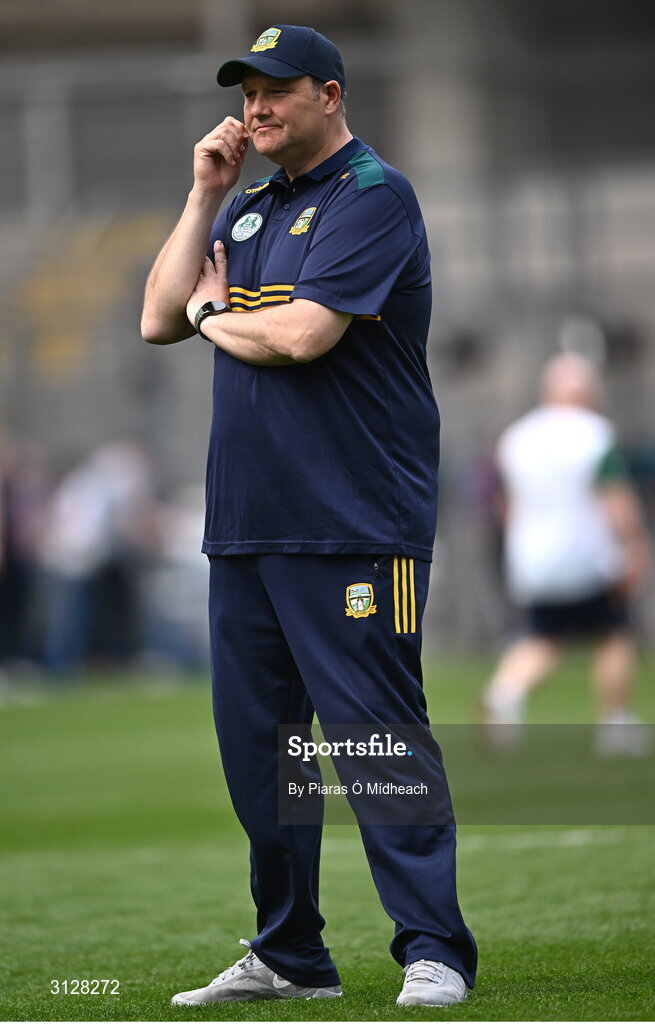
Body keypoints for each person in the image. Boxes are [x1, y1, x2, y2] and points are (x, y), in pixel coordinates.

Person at [141, 24, 477, 1008]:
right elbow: (156, 314)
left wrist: (215, 316)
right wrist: (204, 192)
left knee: (377, 742)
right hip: (248, 525)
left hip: (354, 521)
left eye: (276, 90)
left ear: (328, 94)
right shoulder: (247, 207)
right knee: (263, 758)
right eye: (246, 91)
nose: (255, 108)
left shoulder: (373, 196)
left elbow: (298, 335)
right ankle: (289, 952)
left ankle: (434, 948)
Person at [481, 353, 651, 751]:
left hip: (533, 558)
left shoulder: (516, 437)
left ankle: (504, 694)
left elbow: (504, 504)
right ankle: (616, 723)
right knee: (614, 634)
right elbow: (616, 499)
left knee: (545, 636)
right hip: (587, 556)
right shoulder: (596, 434)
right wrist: (634, 545)